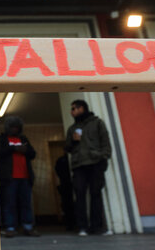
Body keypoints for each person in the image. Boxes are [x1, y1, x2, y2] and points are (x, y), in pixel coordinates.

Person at [65, 100, 111, 236]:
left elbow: (105, 141)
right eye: (71, 108)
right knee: (79, 195)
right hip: (79, 165)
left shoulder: (97, 123)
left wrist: (104, 157)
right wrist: (73, 141)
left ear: (82, 108)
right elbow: (67, 147)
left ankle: (96, 227)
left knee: (96, 194)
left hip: (96, 162)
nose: (71, 111)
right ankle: (82, 227)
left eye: (74, 108)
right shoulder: (72, 129)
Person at [0, 116, 40, 238]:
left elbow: (33, 154)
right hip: (8, 178)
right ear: (8, 128)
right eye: (12, 127)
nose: (15, 129)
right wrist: (13, 148)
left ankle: (28, 227)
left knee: (26, 203)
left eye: (17, 127)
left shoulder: (24, 139)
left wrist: (25, 150)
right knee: (9, 203)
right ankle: (10, 227)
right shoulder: (0, 139)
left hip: (25, 177)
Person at [55, 149, 76, 231]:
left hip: (73, 182)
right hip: (65, 184)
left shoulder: (73, 158)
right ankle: (70, 223)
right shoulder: (61, 160)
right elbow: (57, 171)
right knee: (67, 204)